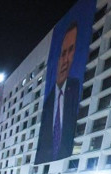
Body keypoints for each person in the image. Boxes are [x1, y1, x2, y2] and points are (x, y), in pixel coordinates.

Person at [35, 21, 81, 163]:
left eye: (70, 50)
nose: (65, 60)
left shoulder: (77, 91)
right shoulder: (47, 102)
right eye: (62, 53)